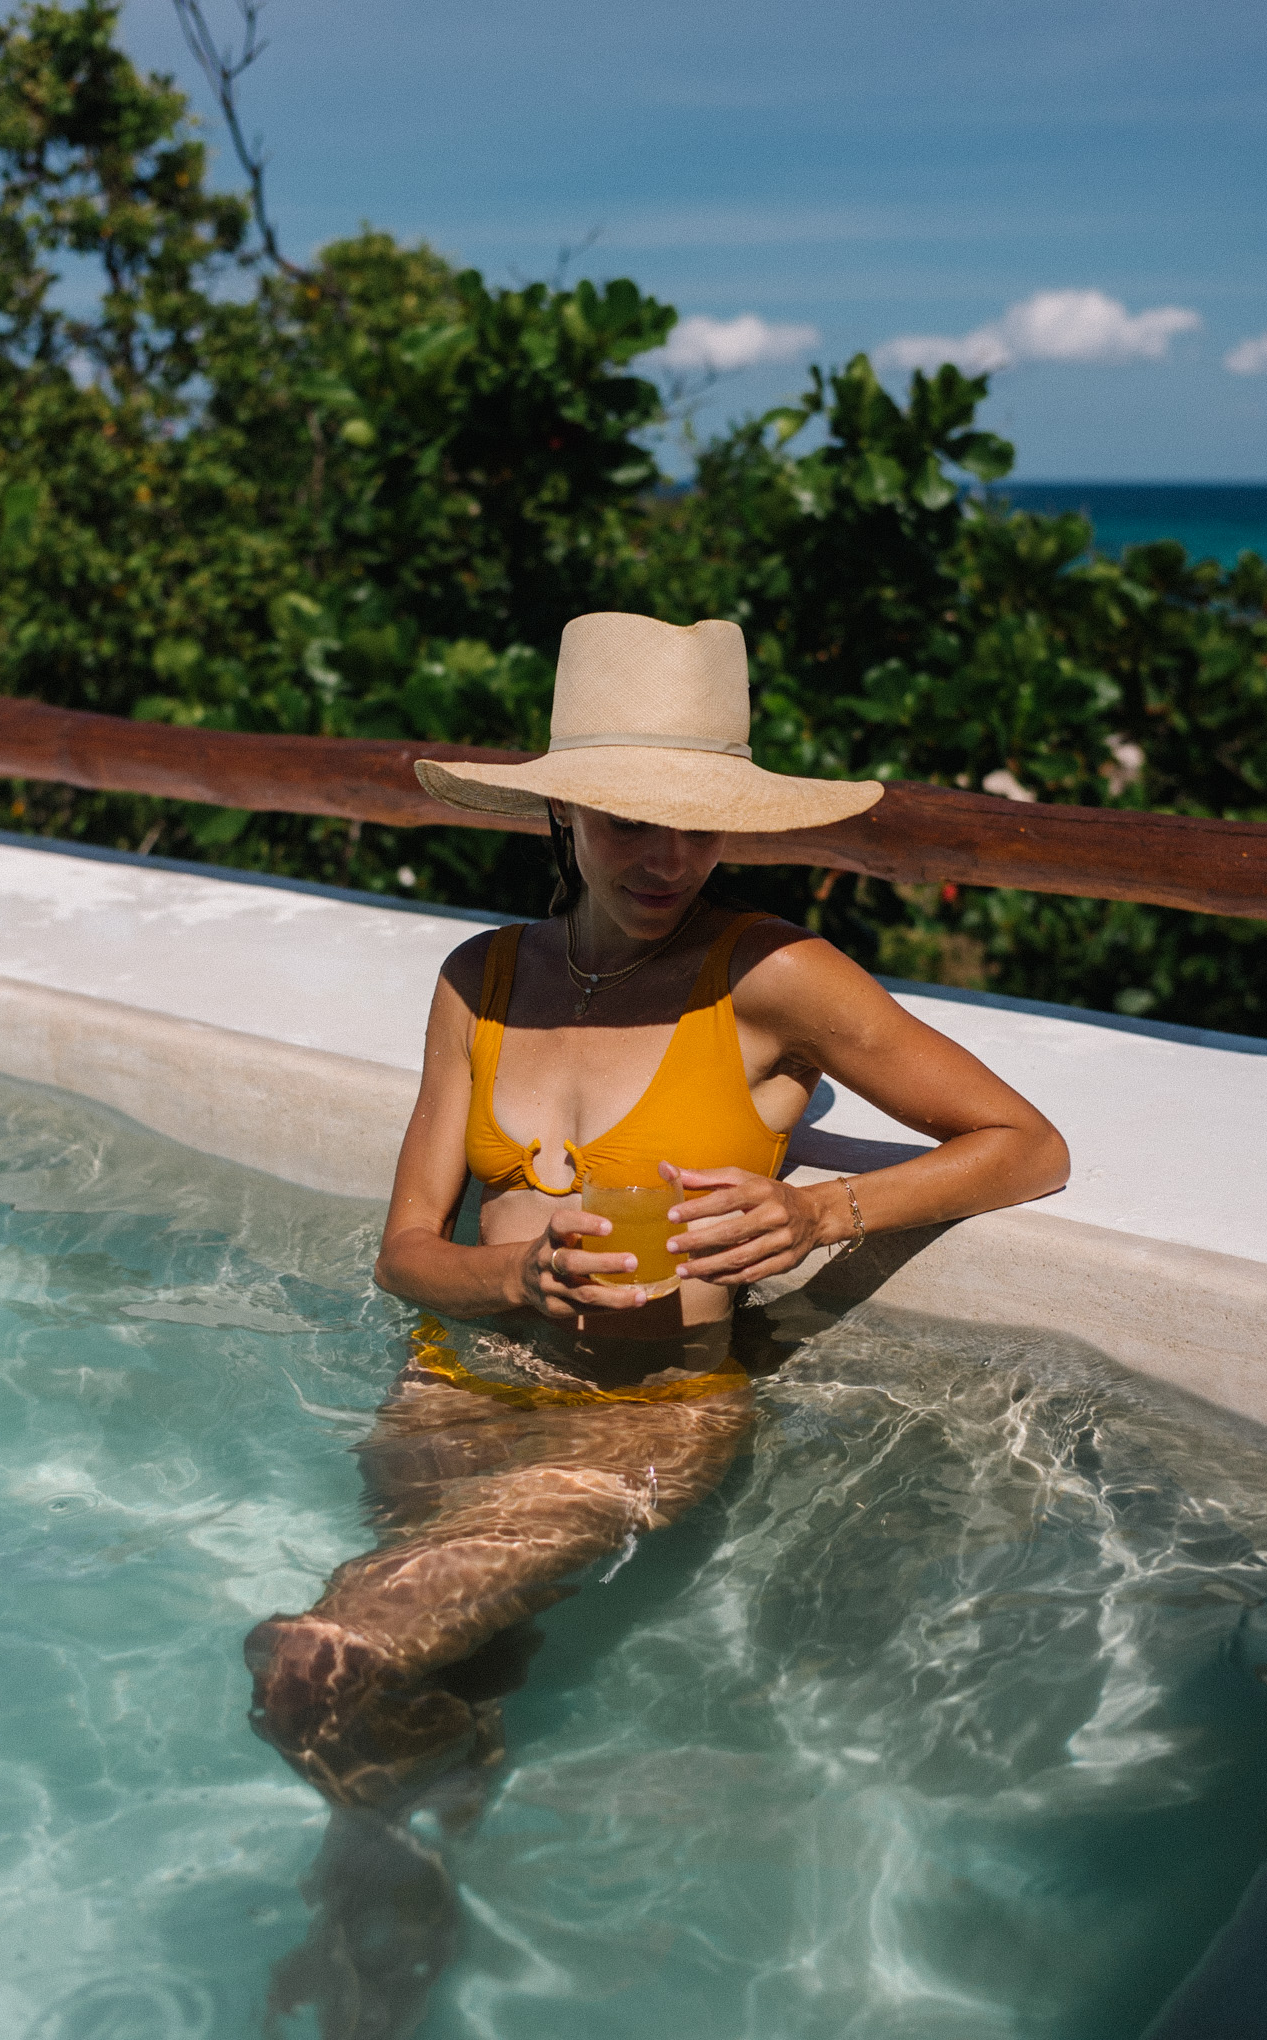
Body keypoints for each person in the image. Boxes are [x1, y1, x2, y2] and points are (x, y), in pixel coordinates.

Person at [246, 610, 1069, 1813]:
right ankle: (389, 1874)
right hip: (454, 1390)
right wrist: (517, 1282)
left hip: (642, 1415)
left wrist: (817, 1213)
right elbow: (406, 1255)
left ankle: (393, 1863)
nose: (667, 858)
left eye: (697, 826)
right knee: (459, 1671)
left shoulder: (769, 975)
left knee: (316, 1666)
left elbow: (1025, 1147)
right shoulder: (477, 980)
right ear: (559, 815)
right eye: (631, 820)